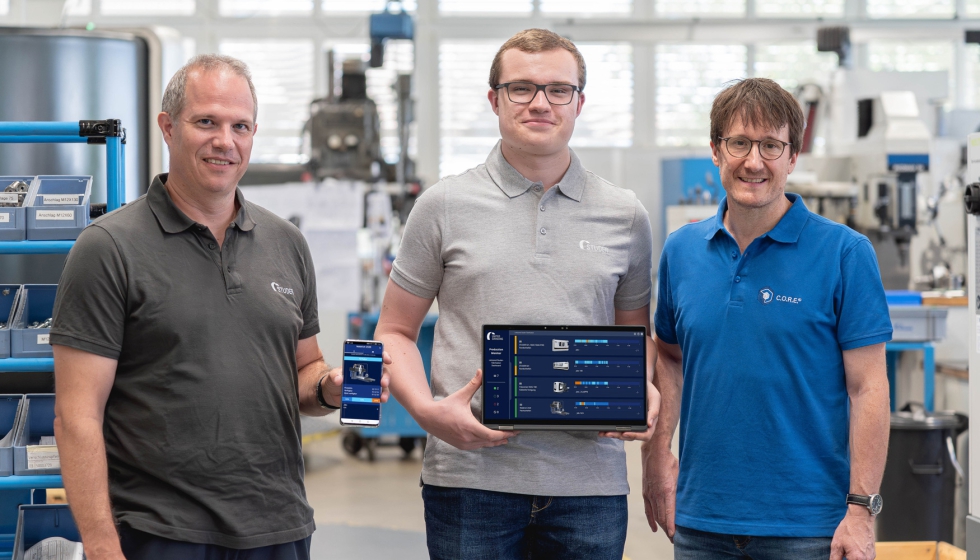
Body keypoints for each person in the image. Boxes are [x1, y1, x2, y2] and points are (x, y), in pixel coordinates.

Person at [50, 54, 389, 560]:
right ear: (168, 128)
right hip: (160, 533)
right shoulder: (108, 248)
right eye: (206, 121)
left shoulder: (286, 243)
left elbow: (303, 372)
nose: (224, 141)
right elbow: (76, 415)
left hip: (279, 526)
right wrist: (101, 545)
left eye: (240, 126)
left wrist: (330, 387)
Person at [374, 28, 659, 560]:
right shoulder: (442, 205)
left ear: (578, 103)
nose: (540, 103)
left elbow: (633, 335)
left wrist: (640, 389)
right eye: (521, 88)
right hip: (469, 480)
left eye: (558, 90)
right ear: (494, 99)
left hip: (589, 486)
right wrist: (427, 411)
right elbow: (394, 330)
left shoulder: (625, 214)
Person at [642, 77, 892, 560]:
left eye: (771, 145)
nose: (753, 161)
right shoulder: (681, 250)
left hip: (807, 526)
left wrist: (860, 511)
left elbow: (869, 388)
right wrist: (656, 457)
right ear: (716, 150)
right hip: (700, 523)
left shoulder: (845, 253)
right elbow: (670, 360)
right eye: (739, 142)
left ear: (792, 156)